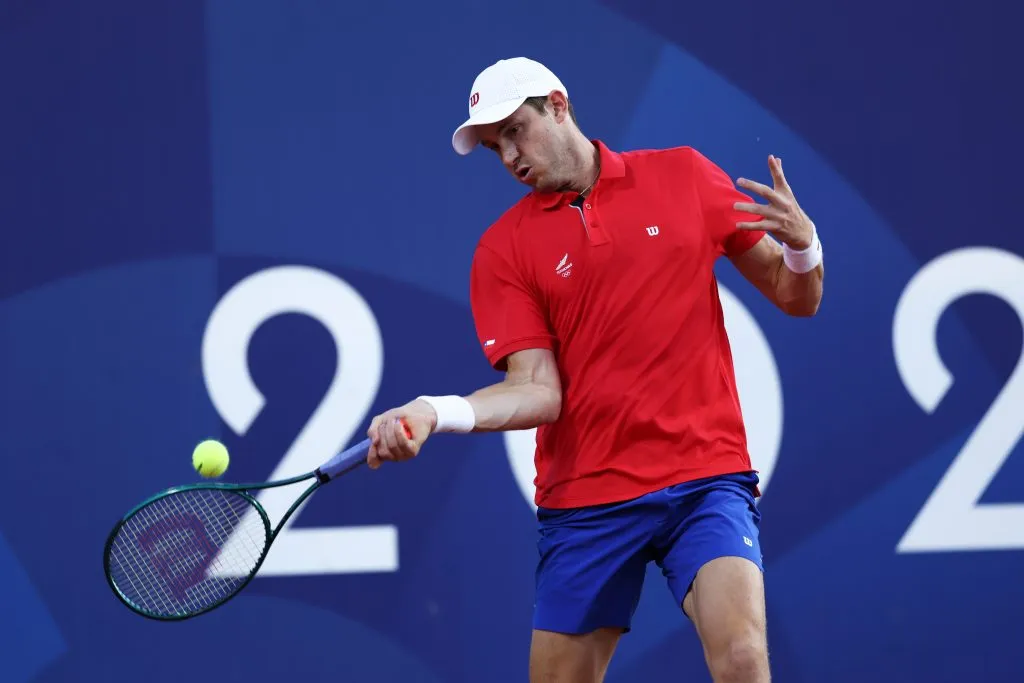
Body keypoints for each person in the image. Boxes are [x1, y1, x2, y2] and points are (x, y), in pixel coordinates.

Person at [365, 57, 824, 683]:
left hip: (704, 476)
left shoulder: (686, 175)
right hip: (588, 501)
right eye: (496, 145)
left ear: (559, 105)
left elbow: (797, 297)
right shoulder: (503, 250)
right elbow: (536, 392)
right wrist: (433, 411)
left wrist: (803, 246)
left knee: (743, 659)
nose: (509, 156)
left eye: (516, 130)